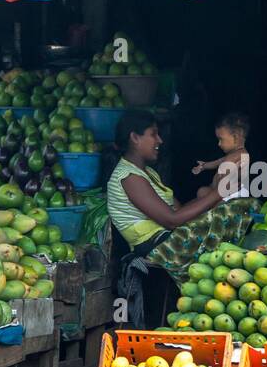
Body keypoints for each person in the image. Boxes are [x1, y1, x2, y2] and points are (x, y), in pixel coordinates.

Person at [109, 111, 258, 324]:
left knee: (239, 207)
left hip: (171, 235)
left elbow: (182, 211)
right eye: (154, 134)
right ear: (135, 137)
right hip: (157, 246)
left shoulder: (147, 174)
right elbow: (171, 219)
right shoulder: (128, 177)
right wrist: (219, 193)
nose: (160, 140)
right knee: (240, 208)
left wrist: (213, 199)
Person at [192, 112, 250, 201]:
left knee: (202, 192)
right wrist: (204, 166)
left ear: (235, 137)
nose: (219, 144)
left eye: (221, 139)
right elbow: (217, 162)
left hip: (230, 196)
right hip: (218, 192)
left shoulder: (242, 155)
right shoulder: (231, 155)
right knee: (202, 191)